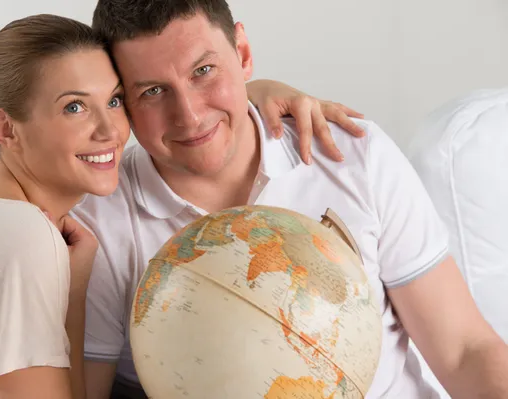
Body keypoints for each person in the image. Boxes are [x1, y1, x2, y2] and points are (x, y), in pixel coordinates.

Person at [0, 11, 366, 399]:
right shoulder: (22, 240)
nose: (110, 130)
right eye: (74, 107)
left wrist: (74, 291)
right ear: (6, 129)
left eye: (114, 100)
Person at [75, 1, 508, 398]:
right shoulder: (99, 221)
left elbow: (464, 351)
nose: (189, 115)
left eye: (203, 71)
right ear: (121, 102)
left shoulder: (354, 154)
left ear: (243, 53)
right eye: (152, 91)